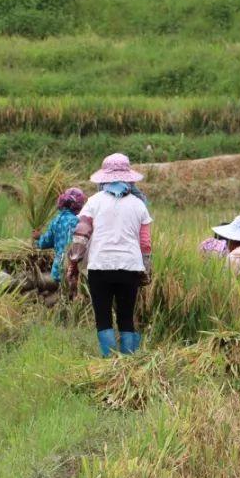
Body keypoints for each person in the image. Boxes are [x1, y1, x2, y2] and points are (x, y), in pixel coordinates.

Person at [66, 153, 152, 357]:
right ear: (128, 178)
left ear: (104, 178)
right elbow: (145, 244)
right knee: (126, 316)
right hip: (130, 267)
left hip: (100, 267)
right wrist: (145, 271)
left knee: (103, 316)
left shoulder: (93, 202)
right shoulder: (139, 205)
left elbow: (81, 236)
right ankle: (128, 363)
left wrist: (73, 264)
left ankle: (109, 362)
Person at [34, 187, 86, 286]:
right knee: (72, 293)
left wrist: (38, 238)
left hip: (57, 268)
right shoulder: (75, 221)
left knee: (63, 293)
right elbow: (77, 246)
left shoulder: (56, 220)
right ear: (77, 206)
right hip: (70, 268)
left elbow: (46, 242)